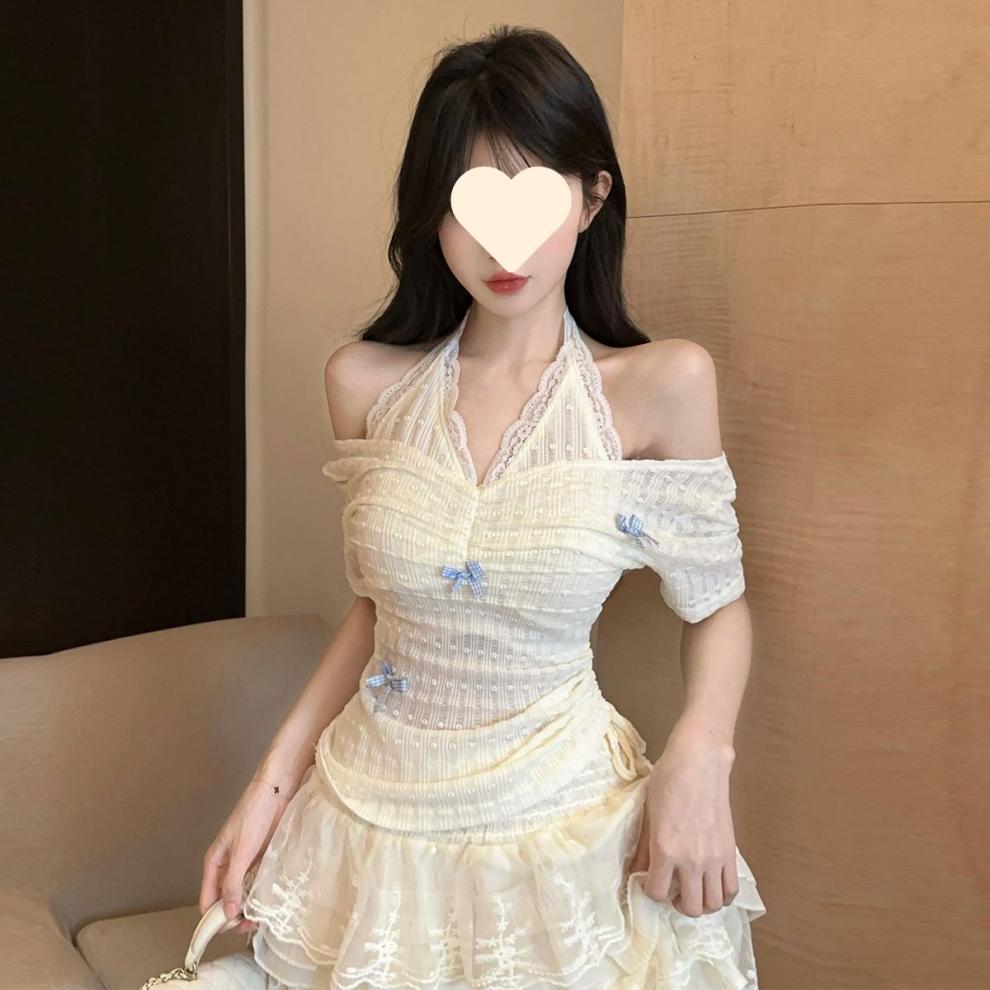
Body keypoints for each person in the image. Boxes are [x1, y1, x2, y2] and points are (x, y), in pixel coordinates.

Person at [200, 24, 767, 989]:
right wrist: (269, 786)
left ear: (592, 197)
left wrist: (702, 758)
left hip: (561, 828)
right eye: (470, 206)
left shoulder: (661, 387)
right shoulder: (364, 383)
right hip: (365, 821)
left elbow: (717, 604)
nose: (503, 246)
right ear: (432, 215)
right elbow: (382, 609)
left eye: (535, 198)